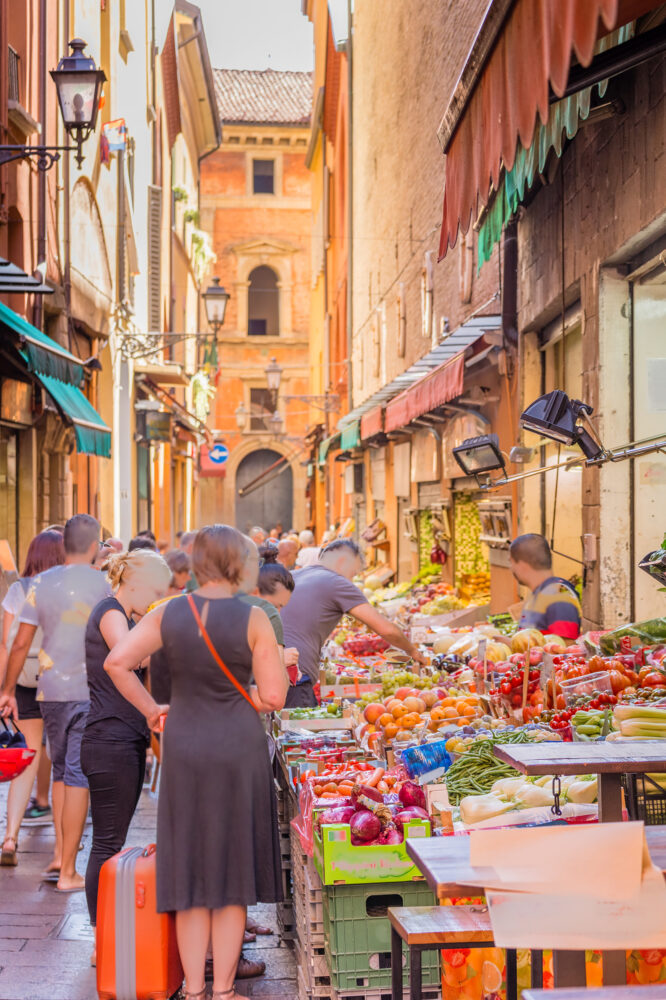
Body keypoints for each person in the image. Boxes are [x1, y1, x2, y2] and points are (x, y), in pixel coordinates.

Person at [104, 524, 288, 1000]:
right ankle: (223, 990)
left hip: (184, 747)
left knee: (188, 870)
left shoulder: (168, 613)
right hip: (236, 749)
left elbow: (117, 662)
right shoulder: (254, 618)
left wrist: (152, 710)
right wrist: (248, 688)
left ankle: (192, 988)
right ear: (237, 564)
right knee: (229, 877)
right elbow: (272, 695)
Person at [0, 514, 111, 891]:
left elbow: (18, 642)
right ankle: (67, 872)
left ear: (65, 545)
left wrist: (7, 689)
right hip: (88, 689)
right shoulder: (104, 582)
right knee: (77, 775)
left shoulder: (42, 583)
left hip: (49, 691)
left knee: (64, 771)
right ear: (95, 545)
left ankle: (62, 858)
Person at [81, 549, 171, 949]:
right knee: (106, 843)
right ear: (133, 581)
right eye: (153, 589)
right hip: (109, 739)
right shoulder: (112, 611)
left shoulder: (128, 614)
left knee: (110, 840)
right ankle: (103, 941)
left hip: (122, 738)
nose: (154, 598)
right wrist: (152, 709)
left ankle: (106, 937)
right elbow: (125, 658)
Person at [282, 538, 426, 707]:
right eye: (354, 572)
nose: (353, 578)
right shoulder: (336, 581)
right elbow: (386, 630)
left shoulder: (293, 575)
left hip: (270, 671)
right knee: (297, 731)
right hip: (296, 676)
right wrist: (413, 651)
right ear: (343, 562)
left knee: (276, 730)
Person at [0, 530, 65, 865]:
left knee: (26, 754)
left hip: (24, 679)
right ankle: (62, 850)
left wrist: (4, 688)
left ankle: (10, 838)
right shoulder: (68, 589)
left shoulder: (17, 590)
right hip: (60, 679)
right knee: (62, 760)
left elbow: (7, 643)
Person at [509, 533, 582, 641]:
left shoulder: (559, 595)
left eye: (511, 562)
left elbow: (563, 649)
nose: (511, 568)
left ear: (522, 565)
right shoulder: (538, 594)